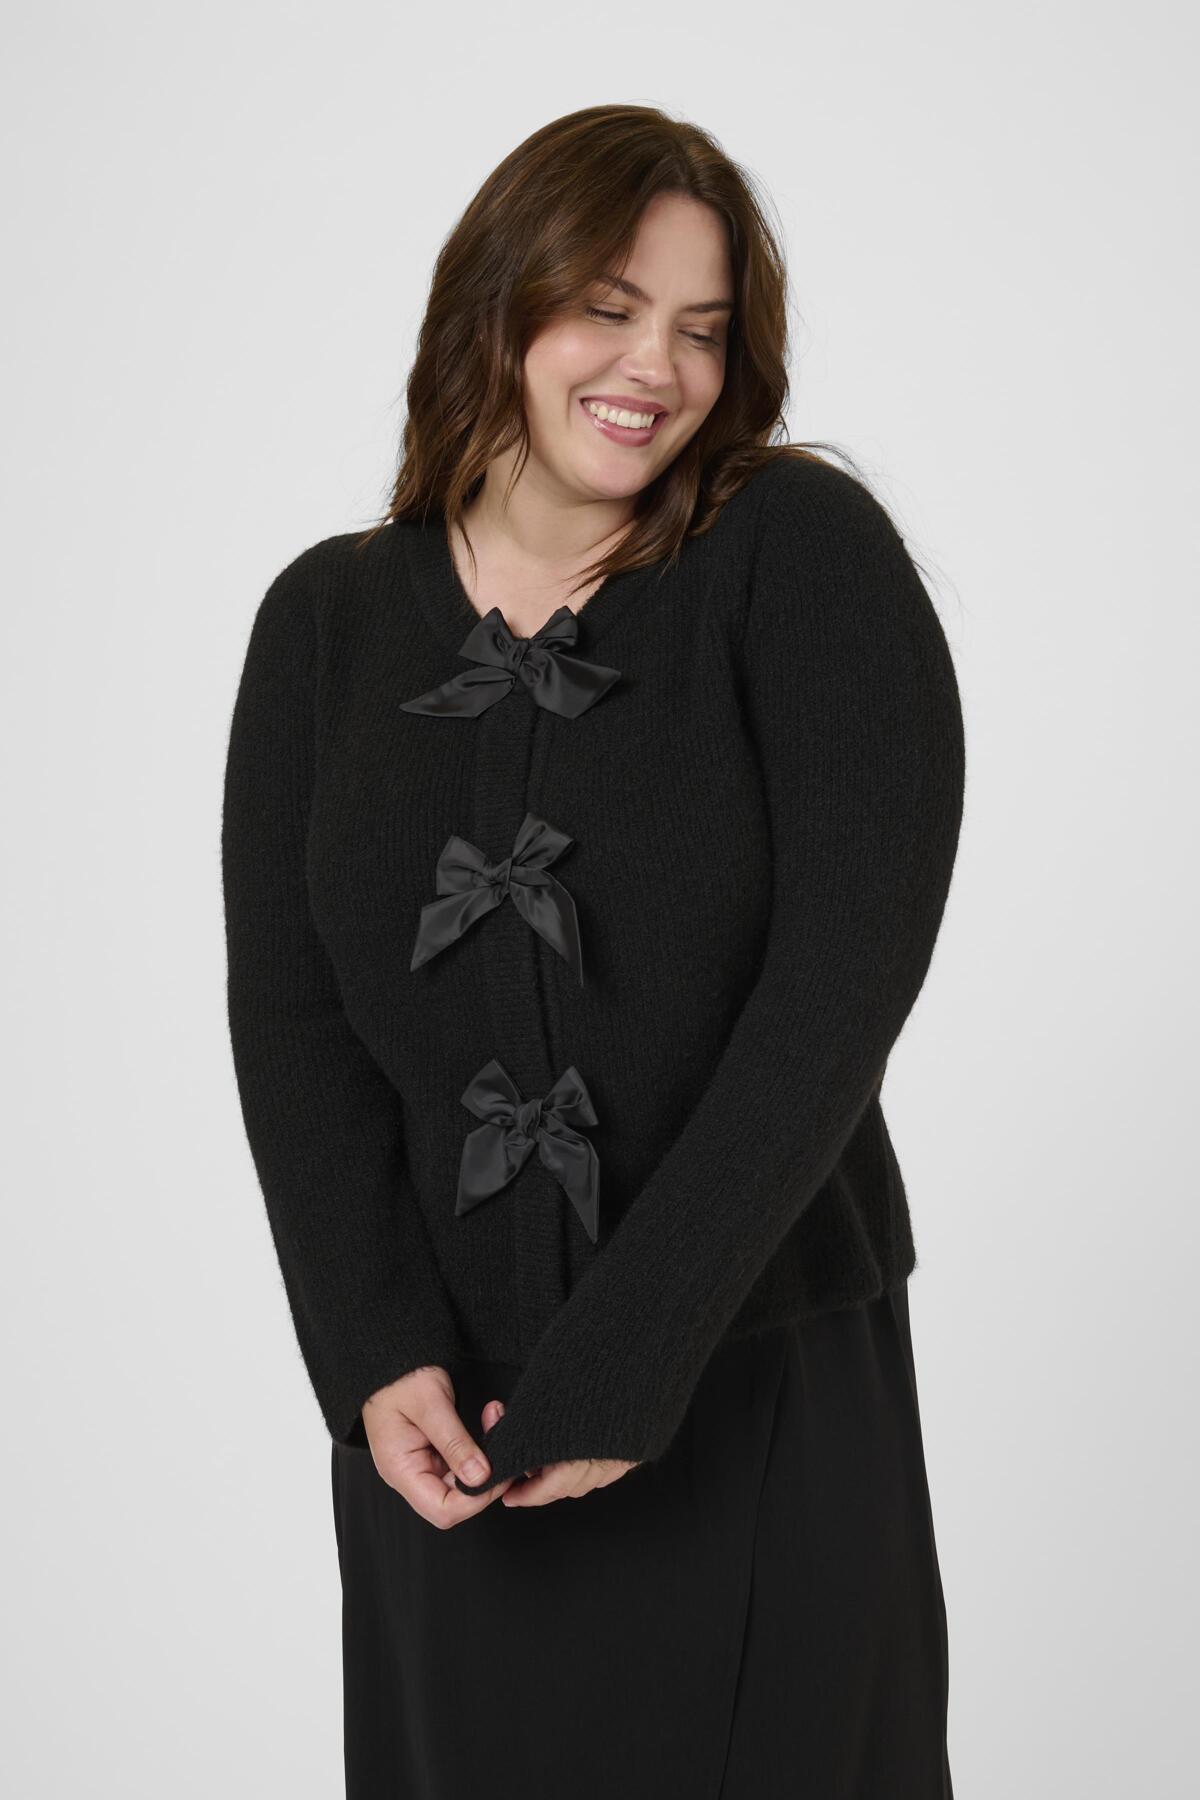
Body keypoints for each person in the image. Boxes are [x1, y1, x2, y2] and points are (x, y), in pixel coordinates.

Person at [222, 103, 965, 1798]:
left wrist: (636, 1351)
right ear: (496, 304)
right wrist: (368, 1350)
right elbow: (294, 1017)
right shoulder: (326, 622)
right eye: (609, 308)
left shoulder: (796, 554)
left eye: (704, 329)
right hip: (444, 1426)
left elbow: (843, 981)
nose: (657, 368)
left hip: (754, 1368)